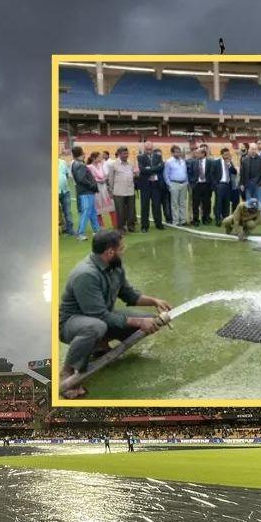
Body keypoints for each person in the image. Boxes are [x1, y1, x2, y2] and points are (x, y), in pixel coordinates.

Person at [58, 230, 172, 398]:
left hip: (99, 318)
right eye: (122, 248)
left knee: (148, 320)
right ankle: (67, 372)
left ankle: (99, 347)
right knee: (97, 326)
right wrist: (138, 323)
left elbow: (129, 295)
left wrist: (155, 301)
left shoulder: (114, 267)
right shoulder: (86, 275)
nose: (124, 251)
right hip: (71, 324)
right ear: (110, 252)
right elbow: (99, 316)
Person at [70, 145, 100, 240]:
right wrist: (92, 185)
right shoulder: (80, 165)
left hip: (85, 191)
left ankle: (97, 230)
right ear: (82, 153)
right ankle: (80, 233)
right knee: (87, 211)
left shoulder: (75, 163)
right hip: (86, 191)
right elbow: (81, 179)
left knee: (92, 211)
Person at [107, 146, 138, 232]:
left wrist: (136, 174)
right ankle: (121, 228)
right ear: (119, 154)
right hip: (119, 191)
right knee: (120, 211)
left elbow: (134, 175)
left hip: (130, 190)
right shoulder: (113, 164)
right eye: (124, 154)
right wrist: (111, 190)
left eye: (127, 153)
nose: (126, 155)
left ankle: (131, 226)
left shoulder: (131, 163)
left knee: (131, 210)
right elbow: (111, 179)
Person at [137, 141, 165, 232]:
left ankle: (159, 223)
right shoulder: (140, 157)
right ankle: (144, 226)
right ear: (144, 149)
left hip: (156, 185)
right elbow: (142, 170)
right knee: (145, 206)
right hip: (145, 185)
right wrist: (154, 168)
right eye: (147, 149)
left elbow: (161, 167)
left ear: (152, 148)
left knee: (157, 205)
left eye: (150, 148)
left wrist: (149, 168)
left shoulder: (158, 156)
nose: (149, 150)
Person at [240, 143, 261, 215]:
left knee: (259, 202)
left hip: (258, 184)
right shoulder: (244, 160)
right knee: (249, 202)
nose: (253, 150)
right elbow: (242, 173)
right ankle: (250, 217)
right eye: (252, 149)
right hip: (248, 184)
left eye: (255, 149)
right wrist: (241, 184)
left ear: (257, 150)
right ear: (249, 149)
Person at [163, 145, 189, 226]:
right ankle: (176, 221)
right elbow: (166, 175)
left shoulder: (183, 161)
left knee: (183, 203)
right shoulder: (169, 162)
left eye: (179, 152)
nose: (178, 153)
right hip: (174, 183)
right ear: (172, 153)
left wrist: (186, 182)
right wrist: (170, 184)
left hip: (183, 183)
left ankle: (183, 220)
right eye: (176, 152)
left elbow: (185, 172)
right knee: (174, 204)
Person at [187, 146, 214, 225]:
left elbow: (211, 174)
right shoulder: (194, 162)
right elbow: (190, 173)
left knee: (206, 203)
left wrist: (211, 185)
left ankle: (205, 218)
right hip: (196, 185)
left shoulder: (210, 162)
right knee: (195, 204)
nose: (196, 154)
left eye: (198, 153)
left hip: (206, 185)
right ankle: (195, 220)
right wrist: (192, 182)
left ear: (203, 154)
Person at [91, 151, 116, 230]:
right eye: (99, 157)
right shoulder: (89, 167)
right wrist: (98, 181)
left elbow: (106, 174)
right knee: (97, 209)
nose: (101, 158)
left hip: (104, 188)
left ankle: (115, 224)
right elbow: (91, 178)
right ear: (94, 158)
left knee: (111, 207)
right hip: (96, 190)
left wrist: (104, 179)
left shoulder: (102, 165)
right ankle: (101, 226)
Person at [213, 147, 238, 222]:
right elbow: (212, 174)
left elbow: (235, 172)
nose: (227, 156)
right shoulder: (216, 162)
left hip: (228, 185)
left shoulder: (230, 163)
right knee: (219, 203)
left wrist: (230, 164)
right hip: (220, 184)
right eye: (225, 154)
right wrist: (215, 185)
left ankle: (226, 219)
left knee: (227, 203)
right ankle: (218, 219)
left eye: (228, 154)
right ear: (222, 155)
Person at [57, 147, 75, 237]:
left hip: (65, 191)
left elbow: (67, 175)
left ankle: (70, 229)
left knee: (67, 211)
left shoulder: (63, 162)